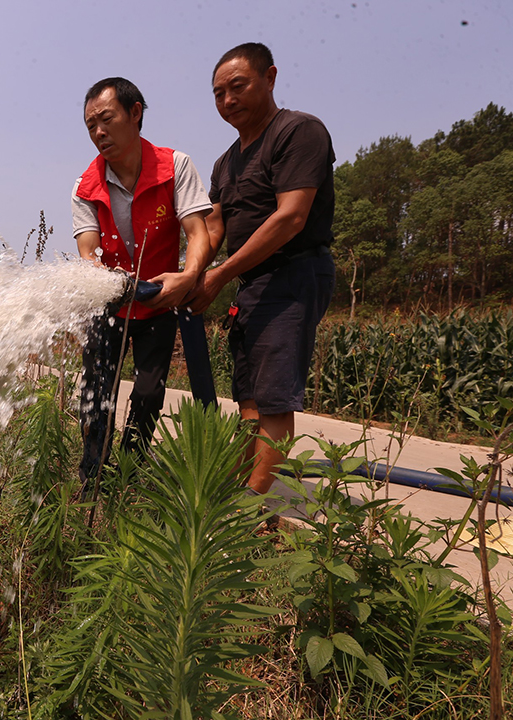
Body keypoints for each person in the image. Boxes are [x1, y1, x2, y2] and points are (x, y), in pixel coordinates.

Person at [184, 43, 336, 494]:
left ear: (269, 78)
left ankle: (254, 507)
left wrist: (219, 275)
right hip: (251, 283)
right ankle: (238, 489)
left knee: (271, 400)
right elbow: (213, 228)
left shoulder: (298, 132)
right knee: (248, 398)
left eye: (238, 86)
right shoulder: (226, 161)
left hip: (293, 273)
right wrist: (190, 273)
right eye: (218, 94)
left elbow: (290, 217)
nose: (227, 100)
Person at [72, 77, 215, 491]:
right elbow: (88, 253)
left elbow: (199, 233)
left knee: (149, 393)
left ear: (135, 114)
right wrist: (106, 282)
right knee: (97, 395)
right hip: (109, 307)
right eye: (90, 126)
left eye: (106, 119)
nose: (98, 133)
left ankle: (130, 474)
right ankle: (91, 478)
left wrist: (188, 277)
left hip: (159, 303)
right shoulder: (84, 187)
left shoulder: (176, 166)